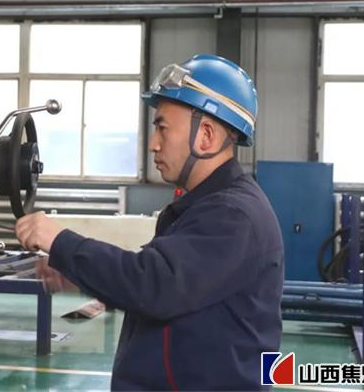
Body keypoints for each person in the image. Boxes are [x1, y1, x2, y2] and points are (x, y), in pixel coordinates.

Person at [16, 54, 284, 391]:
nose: (154, 144)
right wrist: (79, 272)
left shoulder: (233, 215)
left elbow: (152, 284)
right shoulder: (202, 206)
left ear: (206, 135)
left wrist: (60, 241)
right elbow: (154, 280)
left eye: (162, 128)